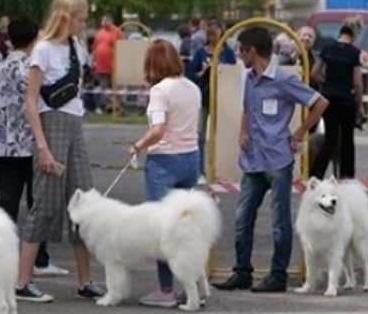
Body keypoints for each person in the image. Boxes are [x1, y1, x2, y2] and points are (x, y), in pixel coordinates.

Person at [212, 26, 328, 293]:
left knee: (279, 221)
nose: (239, 55)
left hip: (278, 160)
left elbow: (320, 103)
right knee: (242, 218)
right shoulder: (250, 79)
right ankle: (242, 271)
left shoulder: (283, 80)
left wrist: (300, 131)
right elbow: (246, 108)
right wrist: (243, 130)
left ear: (252, 51)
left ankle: (278, 275)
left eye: (241, 50)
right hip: (253, 159)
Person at [18, 0, 104, 302]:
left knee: (84, 200)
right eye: (81, 18)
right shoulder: (42, 50)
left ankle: (85, 280)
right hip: (50, 122)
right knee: (46, 202)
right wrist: (42, 146)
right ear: (67, 17)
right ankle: (22, 280)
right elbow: (31, 100)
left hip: (74, 122)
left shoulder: (76, 47)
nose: (85, 24)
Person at [0, 16, 69, 285]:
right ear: (35, 39)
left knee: (7, 201)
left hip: (3, 143)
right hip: (31, 143)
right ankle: (39, 259)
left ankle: (0, 256)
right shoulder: (33, 67)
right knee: (37, 202)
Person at [127, 39, 201, 307]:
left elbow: (158, 130)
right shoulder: (192, 87)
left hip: (164, 162)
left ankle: (166, 290)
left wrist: (137, 145)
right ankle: (192, 287)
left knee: (162, 228)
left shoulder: (160, 90)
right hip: (191, 158)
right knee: (186, 228)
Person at [310, 16, 365, 180]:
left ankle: (316, 173)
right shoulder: (354, 53)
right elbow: (357, 83)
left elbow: (313, 73)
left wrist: (325, 83)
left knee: (330, 138)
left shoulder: (327, 48)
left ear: (340, 31)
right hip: (346, 100)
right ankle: (346, 176)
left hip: (328, 98)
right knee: (347, 139)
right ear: (355, 34)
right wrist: (360, 105)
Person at [188, 23, 236, 184]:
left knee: (222, 136)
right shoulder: (200, 53)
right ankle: (199, 171)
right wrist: (203, 73)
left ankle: (220, 170)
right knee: (199, 136)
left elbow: (233, 73)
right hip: (203, 96)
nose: (213, 38)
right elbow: (191, 74)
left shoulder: (228, 53)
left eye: (216, 34)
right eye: (210, 35)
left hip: (222, 97)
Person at [91, 14, 124, 114]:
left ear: (111, 21)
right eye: (103, 20)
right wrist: (94, 61)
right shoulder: (99, 33)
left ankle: (117, 107)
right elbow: (94, 48)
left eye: (106, 20)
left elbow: (122, 47)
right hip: (101, 66)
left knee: (115, 87)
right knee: (103, 87)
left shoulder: (117, 32)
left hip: (114, 65)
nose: (104, 22)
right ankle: (106, 106)